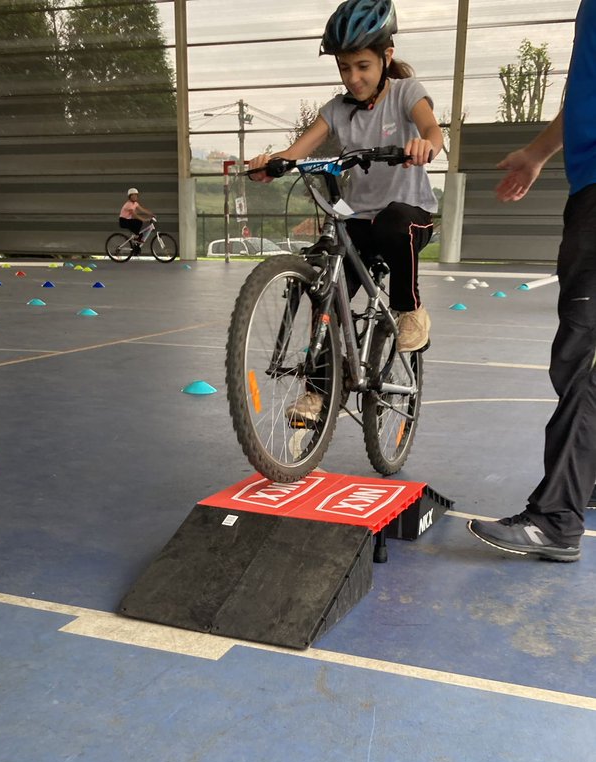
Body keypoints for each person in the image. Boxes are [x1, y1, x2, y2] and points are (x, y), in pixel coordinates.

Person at [246, 0, 442, 424]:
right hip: (359, 220)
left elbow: (431, 130)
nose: (353, 78)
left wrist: (425, 145)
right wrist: (271, 164)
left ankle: (411, 310)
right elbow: (298, 149)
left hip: (410, 218)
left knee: (394, 224)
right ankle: (317, 393)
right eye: (344, 68)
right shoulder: (336, 110)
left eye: (363, 66)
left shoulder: (407, 93)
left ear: (386, 58)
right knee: (324, 280)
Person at [468, 0, 596, 562]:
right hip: (586, 185)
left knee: (584, 353)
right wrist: (540, 153)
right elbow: (585, 96)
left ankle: (558, 517)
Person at [118, 188, 155, 256]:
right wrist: (144, 219)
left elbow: (142, 210)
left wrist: (151, 214)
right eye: (133, 195)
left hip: (128, 221)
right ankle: (136, 241)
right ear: (129, 196)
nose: (135, 197)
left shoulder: (135, 203)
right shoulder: (128, 204)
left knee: (140, 231)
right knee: (138, 222)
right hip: (123, 221)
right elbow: (134, 214)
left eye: (136, 195)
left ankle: (136, 246)